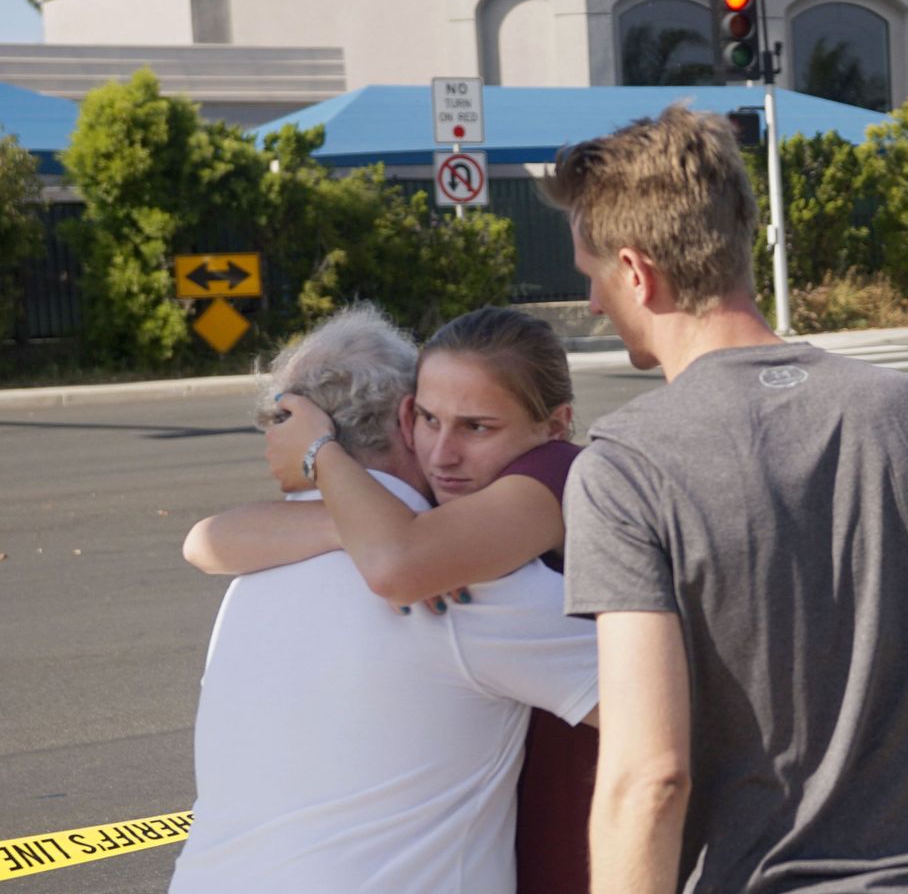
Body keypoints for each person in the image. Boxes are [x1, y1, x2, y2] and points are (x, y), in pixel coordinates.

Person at [548, 105, 908, 893]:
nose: (591, 305)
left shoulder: (628, 468)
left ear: (637, 272)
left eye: (592, 279)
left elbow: (648, 778)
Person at [169, 305, 600, 894]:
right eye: (430, 419)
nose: (445, 454)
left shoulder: (254, 572)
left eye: (475, 426)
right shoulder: (462, 587)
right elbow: (674, 707)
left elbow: (204, 543)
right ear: (406, 415)